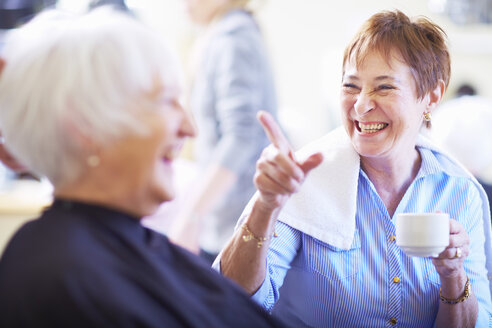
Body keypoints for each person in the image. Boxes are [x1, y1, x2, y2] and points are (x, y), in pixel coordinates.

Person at [0, 8, 286, 327]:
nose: (190, 129)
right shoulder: (65, 275)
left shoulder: (111, 251)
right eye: (166, 101)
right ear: (87, 125)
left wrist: (266, 206)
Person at [215, 10, 492, 327]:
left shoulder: (459, 192)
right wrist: (265, 206)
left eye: (384, 87)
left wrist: (453, 275)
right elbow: (232, 301)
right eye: (351, 86)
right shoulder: (305, 179)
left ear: (431, 96)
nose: (361, 105)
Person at [168, 0, 277, 262]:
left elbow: (240, 135)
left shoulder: (234, 37)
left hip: (240, 220)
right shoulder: (214, 35)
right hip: (223, 220)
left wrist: (192, 214)